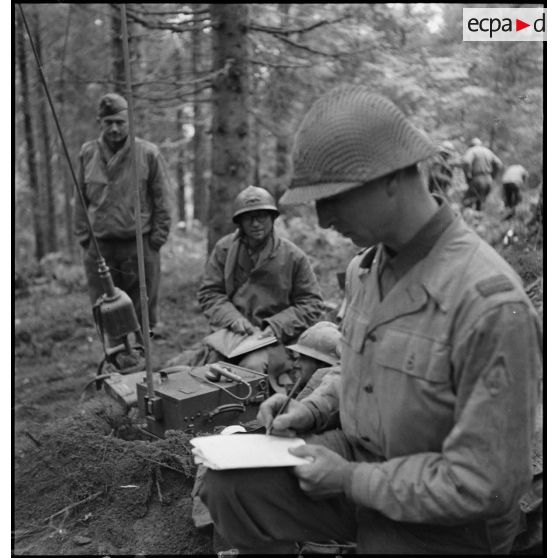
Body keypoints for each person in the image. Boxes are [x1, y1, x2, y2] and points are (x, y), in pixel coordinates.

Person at [200, 85, 541, 554]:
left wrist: (353, 481)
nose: (321, 220)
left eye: (333, 198)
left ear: (391, 179)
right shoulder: (365, 270)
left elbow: (487, 484)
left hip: (447, 522)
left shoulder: (490, 305)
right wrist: (309, 410)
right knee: (231, 489)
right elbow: (357, 371)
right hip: (359, 460)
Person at [167, 185, 324, 378]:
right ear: (239, 222)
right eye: (249, 218)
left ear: (272, 218)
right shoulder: (224, 250)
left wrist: (275, 325)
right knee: (199, 369)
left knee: (250, 369)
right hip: (233, 335)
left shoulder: (293, 256)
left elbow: (311, 303)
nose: (256, 223)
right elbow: (210, 293)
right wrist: (233, 319)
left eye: (261, 216)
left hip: (274, 340)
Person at [74, 93, 171, 334]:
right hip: (101, 247)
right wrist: (85, 239)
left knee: (143, 312)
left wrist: (156, 240)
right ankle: (115, 359)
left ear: (129, 121)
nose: (114, 128)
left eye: (120, 122)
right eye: (109, 123)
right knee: (105, 310)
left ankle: (141, 360)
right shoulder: (87, 153)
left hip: (139, 244)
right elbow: (80, 200)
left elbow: (163, 201)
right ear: (100, 123)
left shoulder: (148, 153)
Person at [461, 137, 503, 210]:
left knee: (467, 201)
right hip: (488, 180)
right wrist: (493, 176)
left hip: (477, 179)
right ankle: (477, 219)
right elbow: (499, 164)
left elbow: (466, 162)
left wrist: (467, 175)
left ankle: (464, 218)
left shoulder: (472, 150)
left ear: (471, 145)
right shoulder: (488, 151)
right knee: (480, 202)